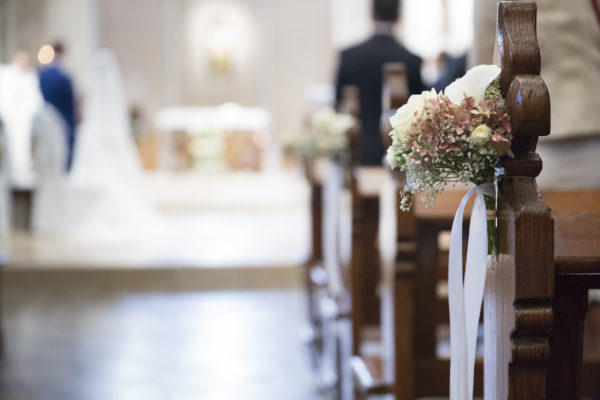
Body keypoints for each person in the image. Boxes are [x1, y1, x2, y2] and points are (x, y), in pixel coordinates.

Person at [334, 0, 424, 166]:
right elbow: (420, 111)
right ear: (399, 17)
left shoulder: (349, 57)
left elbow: (337, 103)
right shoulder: (412, 60)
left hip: (359, 155)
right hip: (401, 159)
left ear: (371, 15)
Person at [38, 41, 77, 171]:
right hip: (64, 120)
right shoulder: (64, 76)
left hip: (44, 120)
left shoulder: (41, 74)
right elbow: (70, 103)